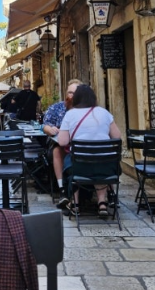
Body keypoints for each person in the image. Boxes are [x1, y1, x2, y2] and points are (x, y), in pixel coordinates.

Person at [57, 84, 121, 219]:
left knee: (72, 162)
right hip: (107, 167)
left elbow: (62, 142)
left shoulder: (70, 114)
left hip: (79, 167)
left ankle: (75, 204)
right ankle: (102, 203)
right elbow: (117, 137)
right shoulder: (104, 113)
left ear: (76, 98)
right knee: (99, 162)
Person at [43, 78, 82, 209]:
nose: (72, 96)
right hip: (60, 144)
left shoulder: (87, 110)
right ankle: (62, 190)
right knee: (57, 150)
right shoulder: (57, 108)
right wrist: (50, 129)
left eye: (75, 93)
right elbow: (45, 125)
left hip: (81, 146)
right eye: (70, 92)